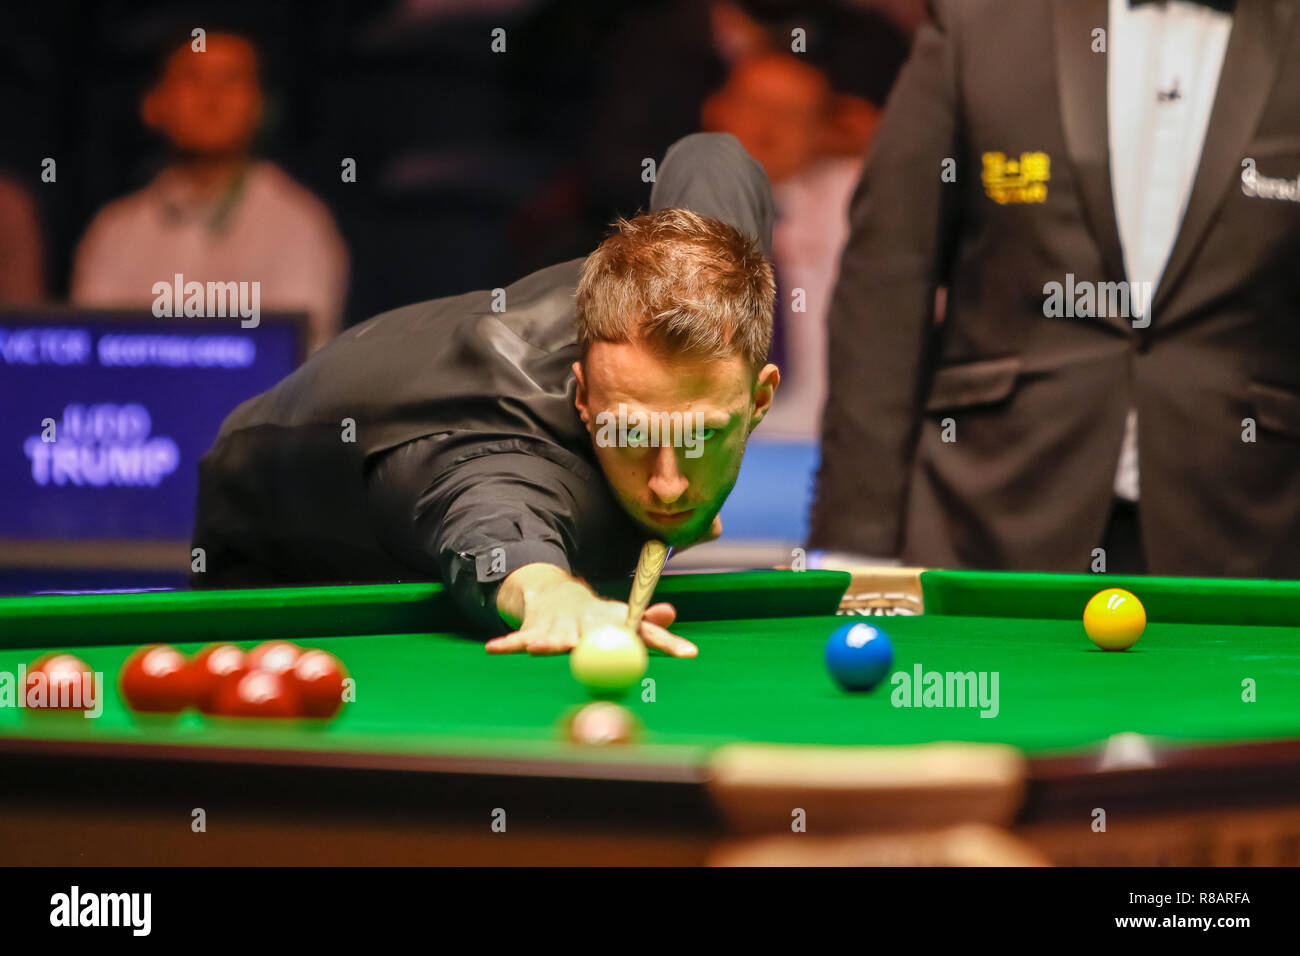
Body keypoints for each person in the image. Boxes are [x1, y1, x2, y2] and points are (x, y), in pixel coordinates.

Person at [192, 134, 779, 657]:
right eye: (631, 432)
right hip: (277, 528)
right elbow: (494, 530)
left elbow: (712, 154)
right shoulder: (509, 454)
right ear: (582, 398)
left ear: (759, 397)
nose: (669, 483)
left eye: (701, 433)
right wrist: (553, 596)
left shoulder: (710, 270)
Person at [812, 0, 1300, 578]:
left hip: (1250, 531)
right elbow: (887, 279)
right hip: (989, 520)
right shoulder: (981, 19)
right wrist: (856, 541)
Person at [71, 32, 347, 354]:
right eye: (193, 78)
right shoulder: (114, 229)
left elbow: (298, 361)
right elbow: (92, 355)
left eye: (231, 80)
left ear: (261, 105)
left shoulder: (301, 224)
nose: (212, 97)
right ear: (154, 103)